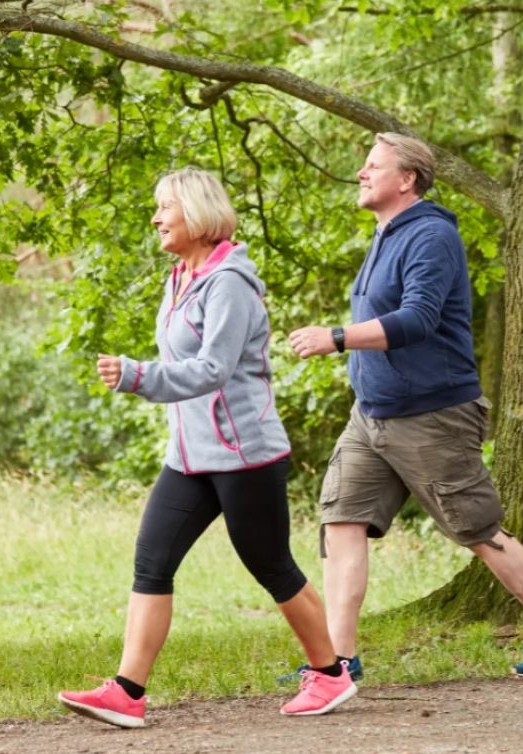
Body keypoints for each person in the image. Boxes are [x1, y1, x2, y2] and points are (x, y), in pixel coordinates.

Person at [57, 168, 354, 728]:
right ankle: (127, 692)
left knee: (271, 566)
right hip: (189, 457)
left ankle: (330, 674)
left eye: (164, 207)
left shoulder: (229, 284)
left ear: (196, 213)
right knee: (152, 561)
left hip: (245, 455)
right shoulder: (181, 278)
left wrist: (138, 375)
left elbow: (213, 368)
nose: (155, 218)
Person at [287, 133, 523, 680]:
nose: (361, 173)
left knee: (476, 528)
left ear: (407, 179)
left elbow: (418, 319)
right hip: (371, 414)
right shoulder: (385, 234)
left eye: (373, 165)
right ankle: (337, 663)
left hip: (432, 415)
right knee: (341, 521)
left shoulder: (431, 235)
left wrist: (337, 337)